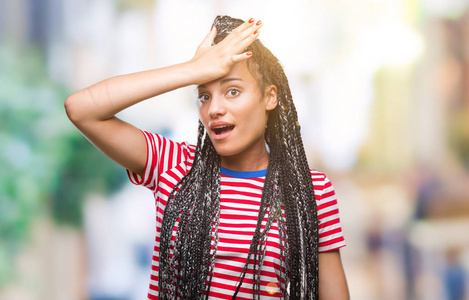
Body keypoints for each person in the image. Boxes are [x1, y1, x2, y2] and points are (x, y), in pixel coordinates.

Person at [65, 15, 349, 300]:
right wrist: (192, 70)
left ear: (269, 97)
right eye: (204, 95)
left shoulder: (309, 190)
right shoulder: (173, 166)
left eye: (233, 91)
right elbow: (81, 109)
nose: (214, 109)